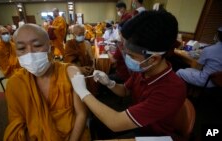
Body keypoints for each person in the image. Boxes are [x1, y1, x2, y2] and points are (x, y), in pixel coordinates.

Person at [69, 11, 186, 139]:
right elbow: (125, 91)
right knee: (97, 124)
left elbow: (116, 123)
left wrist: (82, 91)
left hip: (153, 135)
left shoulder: (171, 89)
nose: (127, 58)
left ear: (153, 59)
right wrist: (109, 83)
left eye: (131, 55)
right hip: (138, 122)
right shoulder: (143, 69)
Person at [3, 24, 90, 141]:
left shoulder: (69, 73)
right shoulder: (15, 83)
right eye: (22, 48)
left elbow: (81, 114)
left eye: (37, 45)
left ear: (51, 48)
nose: (30, 54)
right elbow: (17, 124)